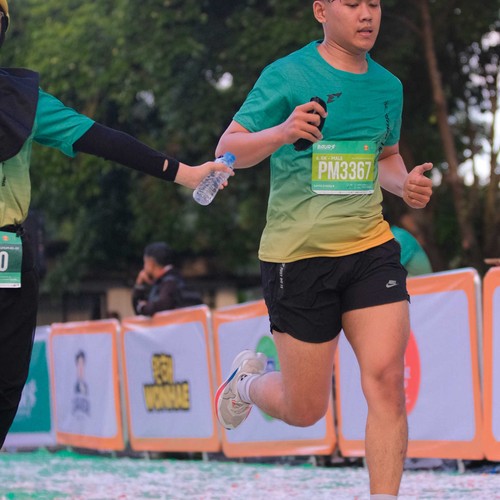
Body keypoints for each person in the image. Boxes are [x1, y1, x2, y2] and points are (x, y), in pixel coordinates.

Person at [214, 1, 433, 498]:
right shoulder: (287, 75)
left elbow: (386, 157)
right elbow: (227, 149)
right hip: (298, 258)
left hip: (370, 249)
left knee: (387, 381)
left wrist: (404, 185)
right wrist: (283, 131)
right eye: (352, 4)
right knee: (306, 408)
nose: (366, 14)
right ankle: (245, 384)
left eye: (373, 3)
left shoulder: (389, 86)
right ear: (321, 10)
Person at [0, 0, 231, 449]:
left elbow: (102, 139)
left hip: (11, 260)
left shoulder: (24, 102)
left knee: (8, 381)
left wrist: (184, 173)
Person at [132, 241, 202, 315]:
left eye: (145, 262)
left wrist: (143, 307)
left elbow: (162, 305)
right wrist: (139, 284)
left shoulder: (169, 282)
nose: (144, 267)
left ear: (151, 263)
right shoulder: (176, 279)